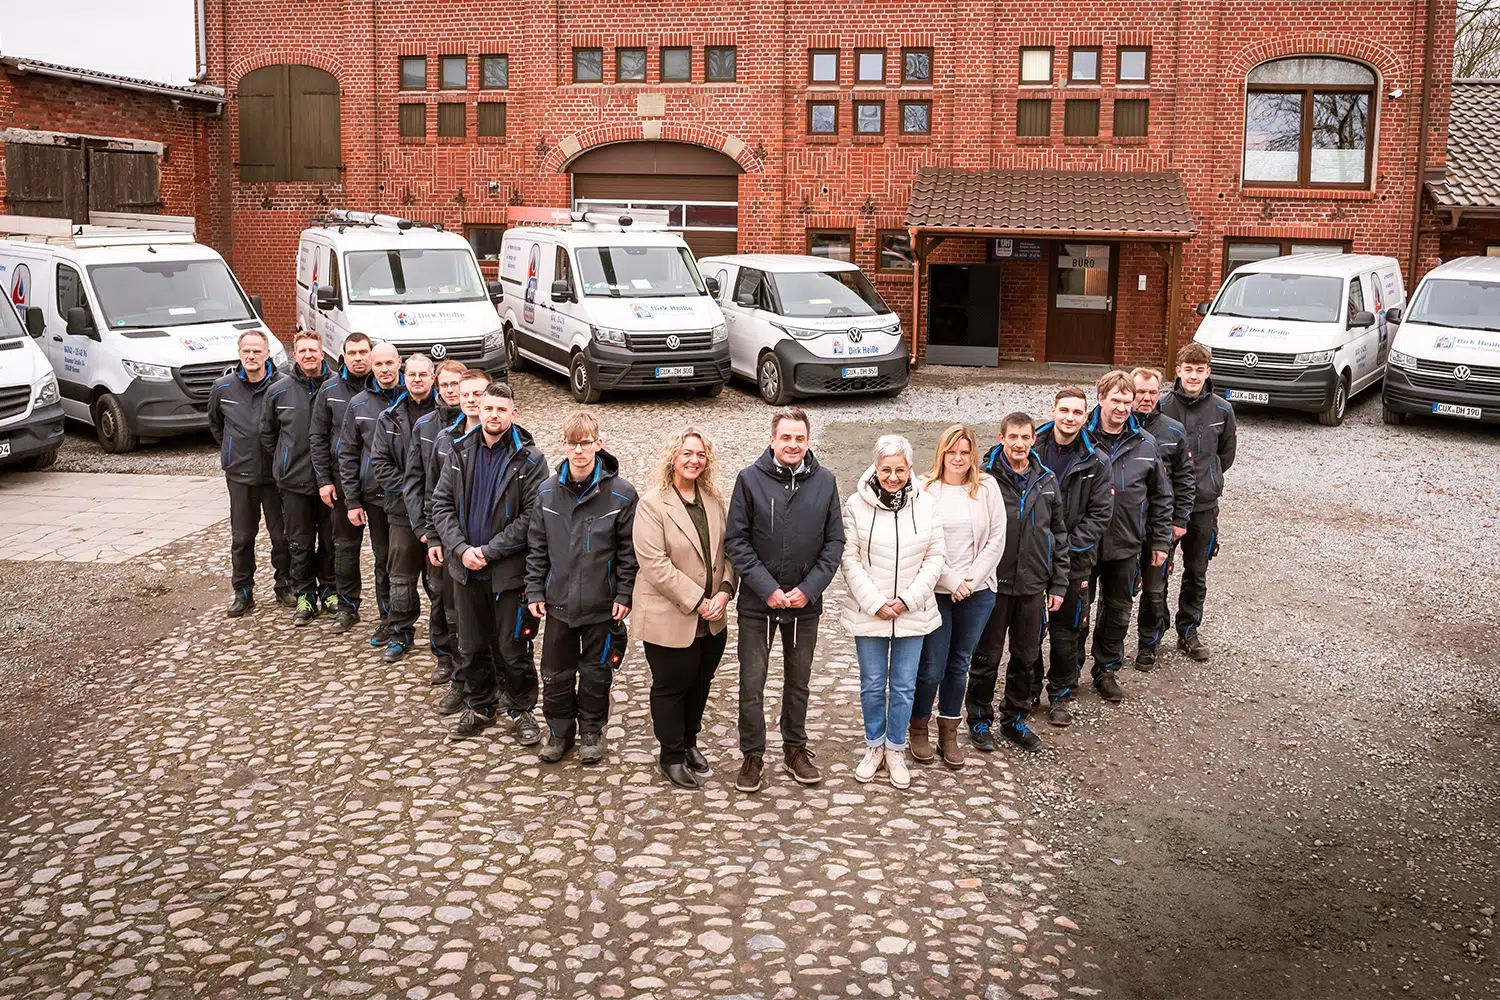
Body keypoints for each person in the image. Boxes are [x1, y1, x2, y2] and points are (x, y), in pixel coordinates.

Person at [724, 408, 845, 794]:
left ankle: (795, 749)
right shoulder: (749, 480)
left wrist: (809, 589)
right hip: (758, 604)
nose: (793, 445)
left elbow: (834, 543)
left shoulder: (825, 481)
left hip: (803, 604)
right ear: (772, 440)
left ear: (807, 441)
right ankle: (753, 754)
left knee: (799, 682)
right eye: (786, 438)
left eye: (799, 438)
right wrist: (767, 588)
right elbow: (736, 541)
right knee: (751, 683)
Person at [430, 381, 547, 744]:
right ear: (478, 411)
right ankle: (480, 705)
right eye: (488, 408)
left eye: (501, 409)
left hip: (508, 572)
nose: (494, 415)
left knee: (512, 646)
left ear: (514, 413)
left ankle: (521, 709)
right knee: (470, 645)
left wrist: (489, 551)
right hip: (465, 569)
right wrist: (461, 548)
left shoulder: (531, 459)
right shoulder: (459, 451)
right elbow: (441, 505)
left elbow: (532, 517)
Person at [526, 411, 638, 766]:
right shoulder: (546, 492)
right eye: (572, 443)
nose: (578, 450)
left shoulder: (621, 495)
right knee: (556, 674)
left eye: (585, 443)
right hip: (558, 602)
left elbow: (628, 552)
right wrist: (534, 590)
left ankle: (591, 731)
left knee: (596, 672)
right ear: (563, 445)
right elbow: (537, 547)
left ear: (598, 444)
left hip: (601, 603)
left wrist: (624, 593)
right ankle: (559, 732)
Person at [839, 434, 946, 790]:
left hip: (912, 611)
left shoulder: (926, 504)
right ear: (876, 467)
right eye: (886, 470)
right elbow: (849, 557)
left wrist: (907, 600)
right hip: (870, 610)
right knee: (872, 685)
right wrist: (875, 602)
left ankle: (895, 748)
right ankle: (874, 745)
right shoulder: (856, 504)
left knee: (903, 686)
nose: (893, 477)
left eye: (900, 470)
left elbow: (935, 556)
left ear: (910, 468)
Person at [632, 427, 737, 789]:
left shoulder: (713, 501)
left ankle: (690, 741)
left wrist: (725, 591)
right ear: (673, 458)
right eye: (687, 453)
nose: (694, 460)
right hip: (671, 615)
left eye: (701, 455)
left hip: (713, 617)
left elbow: (728, 552)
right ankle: (671, 755)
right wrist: (699, 601)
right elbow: (654, 564)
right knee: (671, 686)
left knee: (701, 682)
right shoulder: (652, 505)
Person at [911, 425, 1006, 768]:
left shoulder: (987, 487)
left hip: (976, 591)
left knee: (959, 664)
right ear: (941, 453)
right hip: (935, 590)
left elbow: (997, 538)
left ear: (973, 454)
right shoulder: (923, 488)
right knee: (931, 666)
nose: (958, 458)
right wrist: (951, 580)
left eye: (965, 452)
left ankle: (948, 732)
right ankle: (918, 727)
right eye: (952, 452)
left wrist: (971, 580)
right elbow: (920, 542)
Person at [1080, 370, 1173, 703]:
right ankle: (1068, 674)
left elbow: (1161, 496)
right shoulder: (1080, 438)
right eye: (1115, 400)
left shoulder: (1145, 444)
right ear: (1100, 399)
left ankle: (1106, 670)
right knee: (1078, 612)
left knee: (1118, 610)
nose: (1121, 408)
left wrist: (1160, 541)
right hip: (1084, 544)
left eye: (1127, 401)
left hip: (1125, 543)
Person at [1029, 387, 1114, 727]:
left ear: (1085, 416)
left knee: (1067, 633)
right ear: (1053, 411)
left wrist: (1064, 548)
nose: (1069, 417)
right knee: (1028, 632)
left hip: (1075, 563)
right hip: (1031, 559)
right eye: (1064, 410)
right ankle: (1028, 689)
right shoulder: (1031, 450)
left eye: (1077, 412)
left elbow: (1100, 515)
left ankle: (1061, 695)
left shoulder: (1097, 460)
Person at [1158, 343, 1237, 661]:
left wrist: (1208, 479)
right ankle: (1154, 632)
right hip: (1166, 507)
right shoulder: (1161, 408)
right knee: (1158, 571)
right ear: (1178, 371)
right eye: (1188, 369)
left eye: (1199, 370)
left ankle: (1188, 631)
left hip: (1203, 506)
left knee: (1196, 571)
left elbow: (1225, 456)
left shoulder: (1222, 411)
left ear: (1208, 372)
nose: (1193, 376)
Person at [207, 330, 292, 617]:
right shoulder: (223, 388)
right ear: (239, 353)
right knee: (242, 538)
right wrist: (232, 449)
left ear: (267, 353)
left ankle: (284, 585)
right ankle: (243, 591)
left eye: (257, 351)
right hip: (240, 476)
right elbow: (216, 424)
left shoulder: (283, 386)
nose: (252, 356)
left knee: (282, 537)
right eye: (247, 351)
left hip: (276, 476)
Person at [425, 368, 492, 715]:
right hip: (454, 546)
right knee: (455, 618)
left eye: (478, 394)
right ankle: (461, 680)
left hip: (492, 550)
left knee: (495, 623)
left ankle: (498, 685)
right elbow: (434, 495)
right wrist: (435, 537)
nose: (470, 400)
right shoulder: (444, 440)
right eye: (465, 395)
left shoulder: (508, 440)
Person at [261, 331, 334, 626]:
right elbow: (268, 433)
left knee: (330, 542)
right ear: (295, 355)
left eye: (313, 350)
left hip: (330, 483)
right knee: (299, 544)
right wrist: (285, 460)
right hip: (294, 482)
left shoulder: (336, 387)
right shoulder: (278, 390)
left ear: (322, 353)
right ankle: (305, 594)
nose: (308, 355)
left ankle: (329, 590)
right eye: (302, 350)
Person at [369, 353, 437, 663]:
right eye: (412, 374)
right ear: (404, 377)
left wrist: (430, 493)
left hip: (439, 510)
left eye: (423, 374)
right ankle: (400, 632)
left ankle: (444, 636)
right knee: (400, 577)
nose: (417, 379)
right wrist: (412, 489)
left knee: (439, 580)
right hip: (399, 510)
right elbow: (380, 464)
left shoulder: (446, 415)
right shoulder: (389, 417)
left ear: (432, 377)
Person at [338, 342, 405, 652]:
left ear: (399, 363)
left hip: (413, 498)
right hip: (376, 497)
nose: (385, 369)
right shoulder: (359, 404)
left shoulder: (415, 397)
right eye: (379, 364)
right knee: (383, 561)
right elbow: (348, 453)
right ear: (372, 366)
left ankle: (434, 624)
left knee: (418, 566)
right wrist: (352, 501)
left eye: (389, 363)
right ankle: (389, 619)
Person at [403, 359, 467, 686]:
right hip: (438, 531)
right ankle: (444, 656)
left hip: (470, 534)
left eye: (457, 384)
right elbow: (417, 481)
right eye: (445, 385)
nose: (451, 390)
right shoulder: (426, 427)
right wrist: (424, 529)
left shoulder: (482, 424)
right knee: (439, 596)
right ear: (437, 387)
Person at [1130, 366, 1196, 669]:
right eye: (1140, 392)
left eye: (1152, 393)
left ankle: (1148, 644)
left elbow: (1185, 478)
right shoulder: (1113, 426)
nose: (1146, 398)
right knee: (1116, 592)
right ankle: (1109, 649)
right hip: (1122, 525)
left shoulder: (1173, 430)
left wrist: (1180, 520)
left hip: (1159, 523)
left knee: (1155, 588)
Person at [311, 332, 375, 631]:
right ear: (343, 357)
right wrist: (324, 479)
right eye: (352, 353)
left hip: (380, 481)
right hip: (342, 480)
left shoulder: (389, 387)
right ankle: (348, 607)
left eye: (363, 352)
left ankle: (391, 612)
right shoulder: (329, 390)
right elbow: (318, 437)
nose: (358, 358)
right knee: (345, 548)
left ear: (372, 354)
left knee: (387, 553)